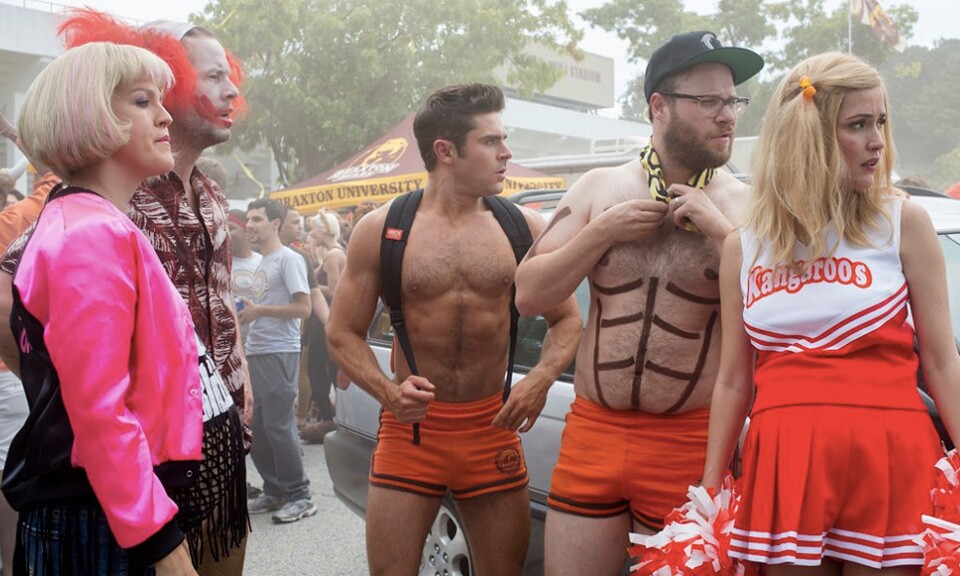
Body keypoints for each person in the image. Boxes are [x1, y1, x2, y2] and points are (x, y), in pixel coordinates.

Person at [512, 31, 763, 575]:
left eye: (734, 101)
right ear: (659, 106)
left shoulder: (746, 206)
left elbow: (778, 317)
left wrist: (723, 234)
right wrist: (600, 232)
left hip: (691, 440)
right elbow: (529, 295)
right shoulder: (598, 189)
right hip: (593, 431)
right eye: (709, 101)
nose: (728, 116)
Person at [701, 51, 960, 574]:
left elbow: (943, 361)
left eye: (881, 122)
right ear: (809, 136)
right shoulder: (743, 246)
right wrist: (709, 489)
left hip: (890, 456)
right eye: (858, 125)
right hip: (785, 459)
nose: (877, 142)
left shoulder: (903, 222)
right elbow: (733, 380)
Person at [327, 83, 582, 576]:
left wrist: (540, 379)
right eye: (491, 141)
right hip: (412, 432)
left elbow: (569, 319)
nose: (506, 153)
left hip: (492, 428)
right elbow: (341, 333)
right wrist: (387, 390)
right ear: (445, 151)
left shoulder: (523, 228)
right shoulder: (381, 230)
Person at [53, 9, 251, 572]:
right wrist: (86, 399)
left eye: (227, 73)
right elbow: (8, 298)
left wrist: (239, 373)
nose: (230, 88)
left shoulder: (212, 193)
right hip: (147, 468)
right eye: (211, 76)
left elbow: (220, 302)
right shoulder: (111, 188)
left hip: (223, 443)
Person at [2, 41, 200, 576]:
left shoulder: (88, 223)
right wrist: (162, 542)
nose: (165, 115)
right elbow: (99, 410)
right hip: (99, 515)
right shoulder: (89, 234)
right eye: (141, 100)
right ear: (88, 116)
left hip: (105, 504)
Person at [241, 198, 316, 524]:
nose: (250, 225)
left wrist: (260, 312)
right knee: (257, 426)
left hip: (280, 351)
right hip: (258, 351)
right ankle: (274, 490)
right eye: (249, 219)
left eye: (257, 219)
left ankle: (300, 495)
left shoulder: (288, 259)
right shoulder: (263, 260)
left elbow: (304, 309)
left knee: (278, 425)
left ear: (275, 223)